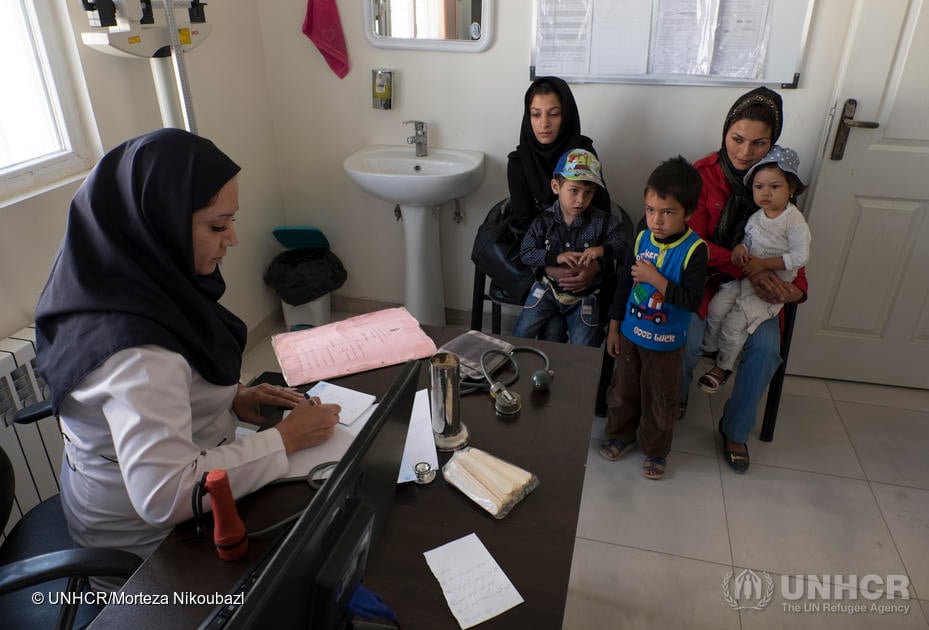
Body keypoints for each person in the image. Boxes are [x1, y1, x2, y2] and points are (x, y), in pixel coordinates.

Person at [34, 129, 341, 584]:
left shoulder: (109, 276)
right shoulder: (137, 352)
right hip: (150, 549)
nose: (232, 239)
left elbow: (150, 392)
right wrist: (285, 440)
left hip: (128, 482)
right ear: (160, 223)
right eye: (218, 226)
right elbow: (166, 493)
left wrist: (227, 397)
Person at [682, 87, 809, 474]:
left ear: (773, 144)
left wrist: (795, 291)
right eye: (737, 139)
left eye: (759, 143)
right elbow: (694, 245)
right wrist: (751, 268)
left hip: (761, 291)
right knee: (685, 337)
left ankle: (735, 429)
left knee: (767, 348)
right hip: (705, 282)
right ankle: (673, 403)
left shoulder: (778, 181)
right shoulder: (702, 175)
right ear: (725, 132)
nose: (744, 152)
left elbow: (795, 250)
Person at [599, 157, 708, 480]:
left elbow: (691, 300)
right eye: (650, 210)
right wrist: (615, 327)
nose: (656, 220)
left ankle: (656, 451)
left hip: (666, 343)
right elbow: (624, 285)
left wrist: (654, 278)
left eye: (667, 212)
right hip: (631, 335)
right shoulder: (642, 237)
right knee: (623, 390)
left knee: (660, 399)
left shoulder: (694, 250)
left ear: (688, 213)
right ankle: (620, 434)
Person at [699, 146, 811, 393]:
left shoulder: (794, 221)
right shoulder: (756, 217)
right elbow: (748, 241)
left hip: (768, 290)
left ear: (791, 188)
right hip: (743, 277)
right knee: (716, 309)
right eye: (759, 187)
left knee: (733, 325)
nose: (765, 193)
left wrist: (764, 265)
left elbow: (800, 256)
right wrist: (740, 248)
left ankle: (723, 367)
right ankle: (709, 348)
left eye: (775, 186)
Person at [507, 76, 613, 304]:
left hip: (584, 258)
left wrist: (594, 266)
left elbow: (604, 215)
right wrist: (549, 266)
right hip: (541, 260)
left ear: (566, 116)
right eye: (536, 114)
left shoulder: (583, 154)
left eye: (553, 114)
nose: (544, 123)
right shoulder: (519, 162)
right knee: (551, 326)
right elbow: (525, 226)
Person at [512, 149, 626, 346]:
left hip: (585, 297)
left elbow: (623, 244)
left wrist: (601, 251)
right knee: (521, 335)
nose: (581, 200)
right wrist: (555, 257)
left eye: (588, 192)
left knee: (584, 347)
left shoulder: (602, 221)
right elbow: (526, 253)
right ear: (556, 186)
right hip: (547, 291)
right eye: (574, 190)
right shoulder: (543, 221)